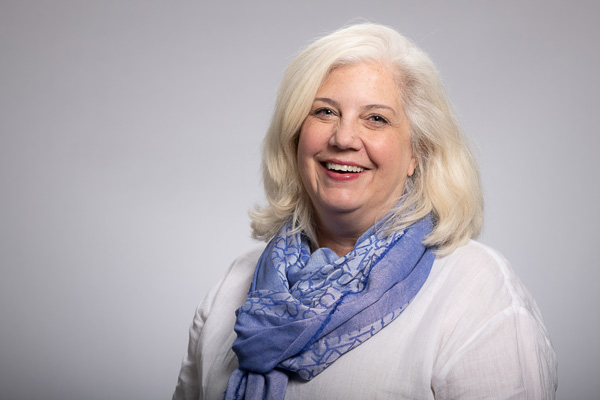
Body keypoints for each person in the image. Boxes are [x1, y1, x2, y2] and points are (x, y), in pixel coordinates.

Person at [173, 23, 558, 399]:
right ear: (294, 136)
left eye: (376, 118)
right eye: (324, 112)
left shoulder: (476, 291)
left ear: (416, 153)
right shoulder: (233, 286)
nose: (343, 138)